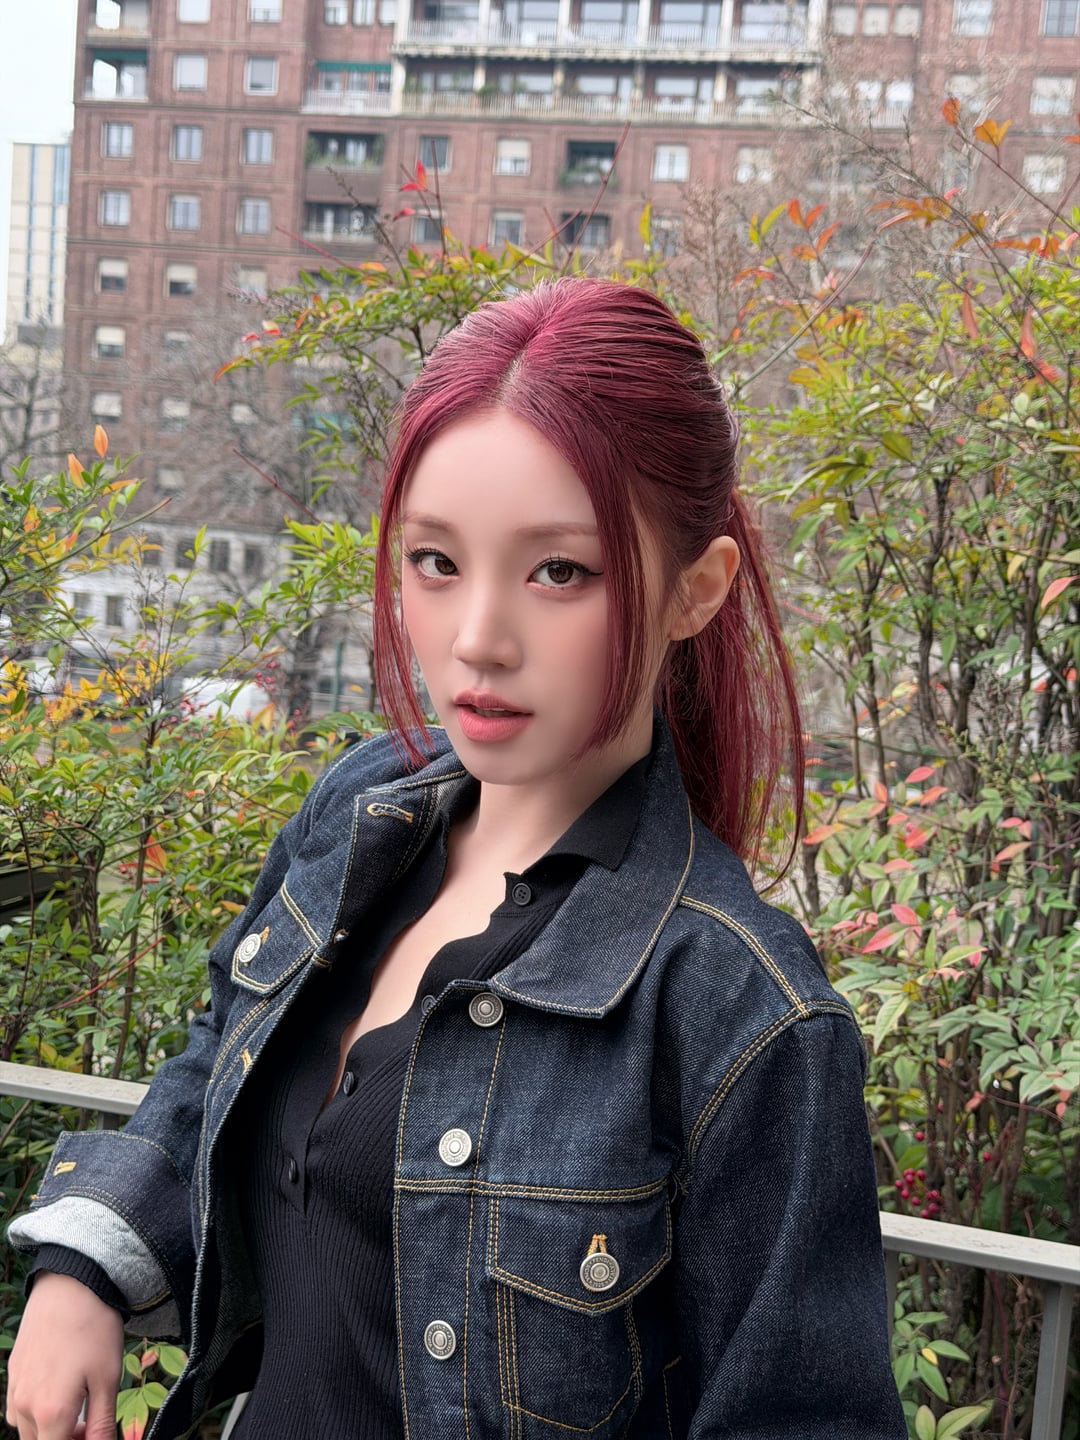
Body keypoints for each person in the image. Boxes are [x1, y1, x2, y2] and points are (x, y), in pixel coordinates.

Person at [6, 278, 905, 1440]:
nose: (478, 638)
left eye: (558, 572)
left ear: (696, 591)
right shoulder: (361, 813)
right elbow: (222, 1043)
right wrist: (89, 1264)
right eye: (436, 561)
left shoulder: (738, 1009)